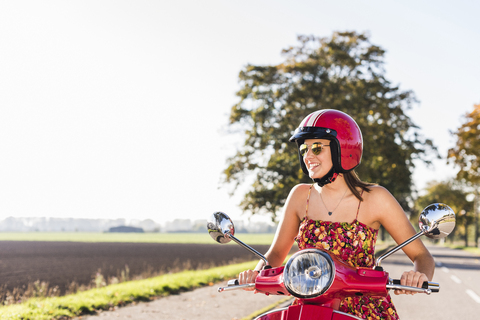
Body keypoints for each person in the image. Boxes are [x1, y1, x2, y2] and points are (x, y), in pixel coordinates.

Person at [238, 109, 435, 319]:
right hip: (309, 308)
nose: (308, 156)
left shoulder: (376, 198)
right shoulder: (299, 196)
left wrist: (418, 276)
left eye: (316, 148)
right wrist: (258, 273)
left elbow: (422, 256)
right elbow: (276, 254)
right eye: (304, 149)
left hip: (364, 311)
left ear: (343, 149)